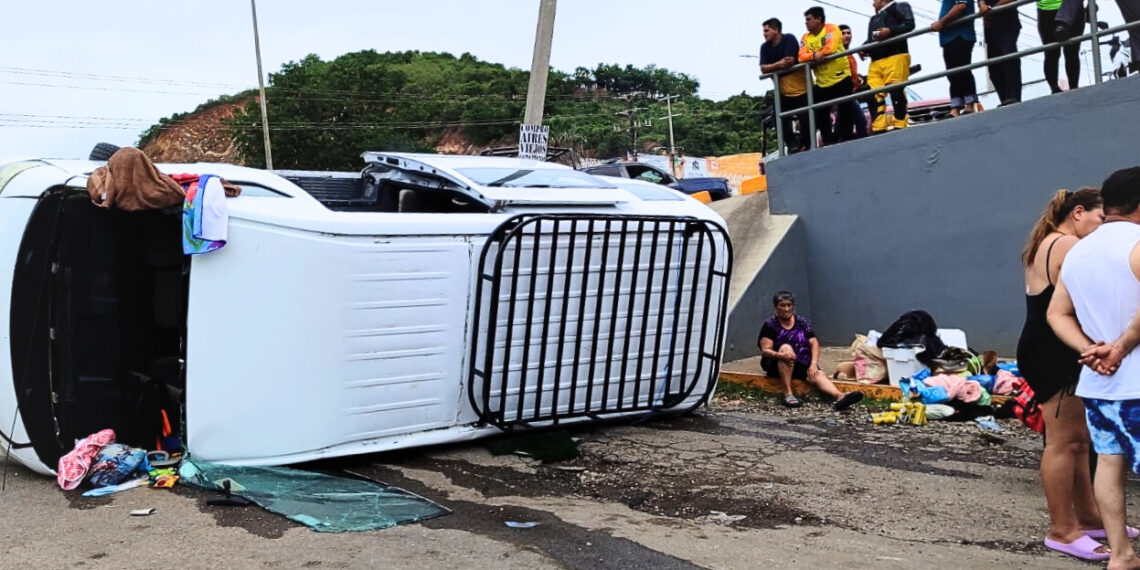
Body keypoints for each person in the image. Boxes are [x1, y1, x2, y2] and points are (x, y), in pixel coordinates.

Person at [1048, 167, 1140, 570]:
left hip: (1099, 383)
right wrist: (1120, 347)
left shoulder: (1078, 252)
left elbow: (1057, 313)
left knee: (1109, 464)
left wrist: (1090, 349)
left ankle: (1121, 554)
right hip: (1135, 379)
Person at [1017, 188, 1109, 562]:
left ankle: (1088, 518)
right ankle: (1062, 530)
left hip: (1048, 347)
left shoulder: (1047, 241)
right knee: (1063, 442)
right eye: (1101, 218)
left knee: (1079, 441)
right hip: (1054, 352)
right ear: (1078, 212)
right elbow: (1086, 301)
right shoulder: (1067, 245)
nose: (1103, 227)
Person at [758, 291, 864, 411]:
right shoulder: (770, 325)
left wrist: (813, 364)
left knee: (818, 374)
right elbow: (766, 350)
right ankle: (788, 394)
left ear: (793, 306)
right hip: (776, 363)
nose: (786, 309)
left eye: (789, 305)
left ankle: (840, 397)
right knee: (786, 348)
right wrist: (780, 355)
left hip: (800, 361)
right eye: (782, 305)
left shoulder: (801, 322)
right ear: (776, 307)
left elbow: (814, 342)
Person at [798, 7, 856, 146]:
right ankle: (828, 140)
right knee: (820, 113)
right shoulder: (806, 37)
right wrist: (814, 56)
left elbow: (831, 48)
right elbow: (801, 56)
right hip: (822, 82)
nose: (806, 23)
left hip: (841, 77)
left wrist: (820, 54)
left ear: (818, 19)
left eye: (809, 19)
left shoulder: (831, 28)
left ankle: (846, 138)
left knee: (846, 109)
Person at [761, 18, 811, 154]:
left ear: (776, 30)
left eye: (767, 30)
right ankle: (792, 143)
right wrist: (777, 65)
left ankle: (807, 144)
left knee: (807, 116)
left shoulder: (789, 39)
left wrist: (772, 67)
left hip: (802, 89)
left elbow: (789, 61)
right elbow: (763, 68)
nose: (764, 34)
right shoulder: (764, 47)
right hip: (783, 92)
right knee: (776, 116)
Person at [865, 0, 916, 133]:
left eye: (874, 0)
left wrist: (890, 31)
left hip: (896, 55)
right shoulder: (874, 19)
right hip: (875, 61)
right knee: (874, 94)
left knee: (896, 91)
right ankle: (878, 127)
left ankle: (899, 124)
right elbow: (874, 37)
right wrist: (865, 47)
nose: (873, 4)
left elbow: (909, 24)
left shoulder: (900, 6)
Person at [932, 0, 981, 117]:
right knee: (952, 73)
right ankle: (956, 107)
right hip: (948, 38)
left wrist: (941, 23)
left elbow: (961, 6)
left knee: (962, 70)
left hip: (960, 35)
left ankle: (969, 105)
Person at [979, 0, 1023, 105]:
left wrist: (992, 9)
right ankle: (1004, 99)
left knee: (1009, 59)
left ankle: (1012, 97)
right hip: (991, 27)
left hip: (1008, 22)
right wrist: (983, 6)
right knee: (993, 68)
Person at [1037, 0, 1083, 93]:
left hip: (1071, 8)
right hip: (1046, 9)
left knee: (1071, 52)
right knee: (1052, 53)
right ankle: (1056, 88)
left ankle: (1073, 88)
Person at [839, 24, 869, 140]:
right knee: (860, 121)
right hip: (845, 93)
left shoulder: (850, 54)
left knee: (845, 122)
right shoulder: (837, 53)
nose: (846, 36)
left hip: (852, 92)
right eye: (843, 33)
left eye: (848, 33)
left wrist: (858, 78)